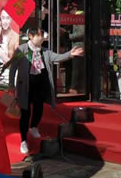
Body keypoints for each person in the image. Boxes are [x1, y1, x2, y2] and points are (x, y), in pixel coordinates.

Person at [8, 26, 84, 155]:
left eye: (42, 35)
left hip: (40, 85)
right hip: (26, 86)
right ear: (31, 36)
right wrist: (11, 84)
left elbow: (57, 57)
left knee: (39, 108)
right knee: (25, 113)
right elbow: (13, 67)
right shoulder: (22, 50)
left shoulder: (45, 51)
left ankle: (34, 126)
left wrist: (70, 54)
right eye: (39, 35)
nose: (42, 38)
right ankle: (23, 140)